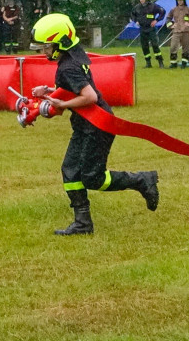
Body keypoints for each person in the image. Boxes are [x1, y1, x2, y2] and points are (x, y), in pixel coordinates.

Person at [30, 13, 159, 236]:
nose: (44, 51)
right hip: (84, 124)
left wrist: (61, 103)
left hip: (97, 125)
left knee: (92, 178)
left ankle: (141, 180)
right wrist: (50, 92)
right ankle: (83, 223)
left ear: (60, 42)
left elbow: (88, 96)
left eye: (47, 46)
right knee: (70, 171)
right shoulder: (74, 57)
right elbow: (74, 87)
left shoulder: (67, 67)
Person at [130, 0, 166, 68]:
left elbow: (162, 12)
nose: (141, 0)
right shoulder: (137, 7)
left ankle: (160, 62)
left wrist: (156, 20)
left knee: (155, 45)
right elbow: (132, 15)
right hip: (142, 29)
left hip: (151, 29)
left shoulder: (153, 6)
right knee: (144, 46)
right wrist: (136, 21)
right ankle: (148, 63)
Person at [165, 0, 189, 68]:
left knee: (186, 48)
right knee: (173, 47)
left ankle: (184, 64)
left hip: (186, 31)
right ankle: (173, 63)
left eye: (181, 0)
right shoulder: (173, 9)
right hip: (176, 31)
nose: (180, 2)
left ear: (184, 0)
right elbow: (168, 18)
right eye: (178, 0)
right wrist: (171, 25)